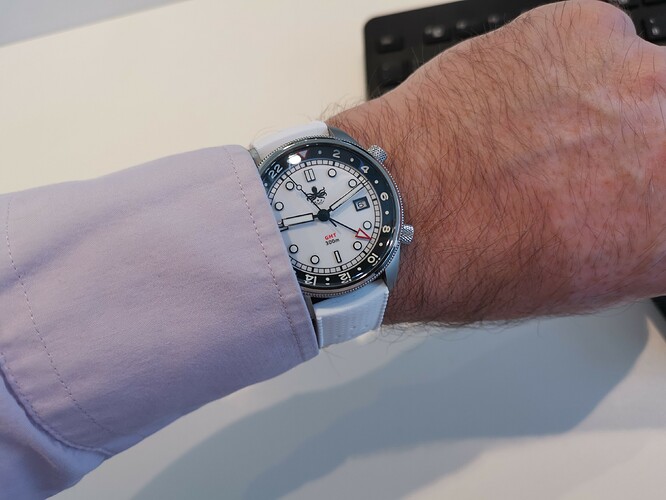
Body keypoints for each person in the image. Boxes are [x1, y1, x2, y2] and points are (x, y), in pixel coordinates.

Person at [2, 0, 665, 497]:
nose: (323, 211)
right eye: (322, 207)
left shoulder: (341, 201)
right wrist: (435, 179)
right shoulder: (365, 228)